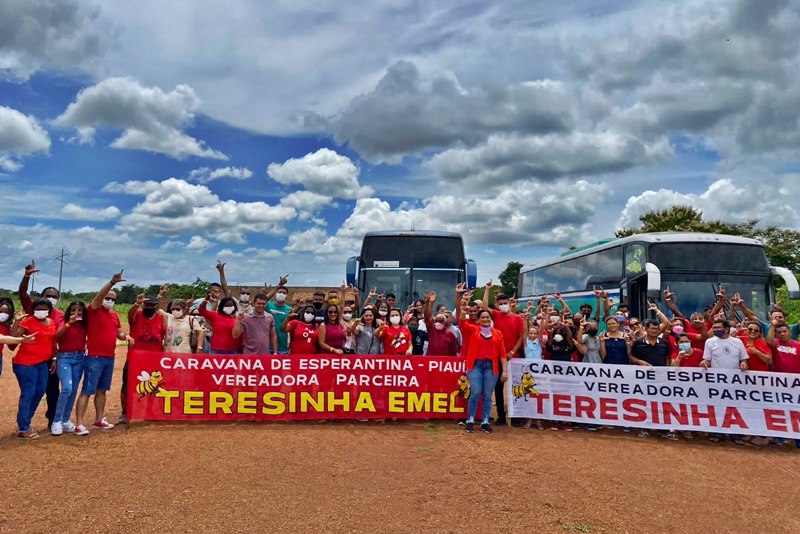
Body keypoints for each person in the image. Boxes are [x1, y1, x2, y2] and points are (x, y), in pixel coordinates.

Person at [75, 270, 127, 435]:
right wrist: (112, 283)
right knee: (87, 390)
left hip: (109, 358)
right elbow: (98, 297)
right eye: (108, 297)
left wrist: (128, 336)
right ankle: (79, 423)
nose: (110, 300)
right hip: (94, 358)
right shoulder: (94, 310)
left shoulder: (114, 315)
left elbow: (120, 333)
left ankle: (99, 419)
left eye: (113, 299)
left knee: (102, 390)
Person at [18, 259, 65, 428]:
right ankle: (24, 424)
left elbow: (58, 338)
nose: (51, 299)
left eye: (54, 296)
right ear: (42, 297)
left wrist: (55, 358)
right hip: (30, 359)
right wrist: (26, 277)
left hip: (49, 359)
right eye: (48, 296)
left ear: (58, 299)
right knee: (31, 392)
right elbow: (23, 294)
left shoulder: (60, 315)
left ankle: (52, 420)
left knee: (53, 391)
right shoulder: (34, 310)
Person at [459, 307, 508, 434]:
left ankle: (485, 421)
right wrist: (463, 309)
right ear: (479, 320)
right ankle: (470, 420)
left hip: (491, 367)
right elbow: (462, 322)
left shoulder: (498, 333)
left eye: (487, 317)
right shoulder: (473, 329)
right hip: (475, 365)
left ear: (491, 319)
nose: (485, 319)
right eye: (483, 317)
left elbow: (502, 354)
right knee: (475, 393)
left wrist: (505, 371)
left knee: (487, 395)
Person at [120, 293, 168, 424]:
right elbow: (130, 315)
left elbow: (163, 337)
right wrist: (136, 304)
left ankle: (149, 411)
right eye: (147, 305)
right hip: (134, 358)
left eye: (152, 305)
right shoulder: (137, 316)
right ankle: (125, 412)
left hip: (153, 359)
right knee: (127, 385)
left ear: (156, 306)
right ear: (143, 305)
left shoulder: (160, 318)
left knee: (153, 386)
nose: (149, 307)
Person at [10, 301, 54, 439]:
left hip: (42, 363)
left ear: (49, 310)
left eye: (44, 309)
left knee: (40, 392)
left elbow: (51, 342)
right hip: (25, 363)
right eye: (38, 309)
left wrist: (54, 359)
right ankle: (23, 428)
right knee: (28, 393)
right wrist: (17, 322)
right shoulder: (28, 321)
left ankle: (24, 422)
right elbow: (15, 338)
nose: (41, 311)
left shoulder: (51, 322)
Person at [701, 319, 748, 444]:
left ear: (726, 329)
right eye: (714, 327)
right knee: (718, 408)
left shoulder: (737, 342)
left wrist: (743, 364)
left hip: (735, 382)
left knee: (734, 407)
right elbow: (708, 360)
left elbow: (743, 359)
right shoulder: (709, 342)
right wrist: (704, 363)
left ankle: (735, 435)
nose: (715, 329)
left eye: (718, 327)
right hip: (716, 382)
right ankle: (718, 433)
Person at [483, 282, 524, 427]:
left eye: (505, 303)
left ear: (510, 303)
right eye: (500, 303)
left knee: (516, 388)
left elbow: (521, 337)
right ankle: (501, 416)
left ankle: (516, 416)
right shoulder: (496, 315)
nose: (503, 305)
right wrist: (487, 290)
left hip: (515, 356)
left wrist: (513, 351)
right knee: (498, 388)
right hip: (498, 356)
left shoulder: (518, 318)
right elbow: (484, 307)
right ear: (497, 304)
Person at [630, 318, 673, 438]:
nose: (654, 330)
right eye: (651, 328)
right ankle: (646, 428)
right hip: (644, 378)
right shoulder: (638, 343)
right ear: (646, 329)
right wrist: (640, 362)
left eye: (656, 328)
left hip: (661, 379)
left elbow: (668, 358)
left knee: (662, 403)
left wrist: (667, 371)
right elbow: (631, 358)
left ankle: (663, 429)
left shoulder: (664, 342)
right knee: (646, 403)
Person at [51, 301, 88, 435]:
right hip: (65, 357)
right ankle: (56, 421)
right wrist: (69, 323)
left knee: (73, 391)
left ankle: (66, 420)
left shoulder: (84, 325)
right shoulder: (64, 322)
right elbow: (57, 336)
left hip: (79, 357)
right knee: (67, 388)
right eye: (73, 310)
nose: (76, 313)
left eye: (80, 311)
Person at [766, 321, 800, 448]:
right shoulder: (775, 344)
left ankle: (797, 439)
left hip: (796, 384)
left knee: (796, 411)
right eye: (779, 332)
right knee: (779, 409)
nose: (782, 334)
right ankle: (779, 437)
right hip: (778, 383)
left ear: (790, 332)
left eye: (784, 331)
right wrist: (773, 326)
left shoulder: (798, 345)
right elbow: (768, 342)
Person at [423, 292, 458, 356]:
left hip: (445, 363)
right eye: (436, 321)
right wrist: (429, 303)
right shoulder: (431, 329)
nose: (438, 323)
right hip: (431, 361)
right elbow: (427, 316)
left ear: (444, 322)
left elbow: (454, 351)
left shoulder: (450, 334)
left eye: (441, 321)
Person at [267, 286, 293, 355]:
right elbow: (262, 300)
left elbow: (291, 327)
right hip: (267, 345)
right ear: (275, 294)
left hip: (282, 345)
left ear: (286, 296)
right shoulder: (268, 305)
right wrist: (278, 285)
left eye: (284, 293)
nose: (281, 294)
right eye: (279, 292)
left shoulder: (289, 310)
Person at [0, 297, 18, 376]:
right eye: (0, 311)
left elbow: (11, 347)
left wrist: (17, 322)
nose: (3, 314)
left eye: (6, 312)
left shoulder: (7, 327)